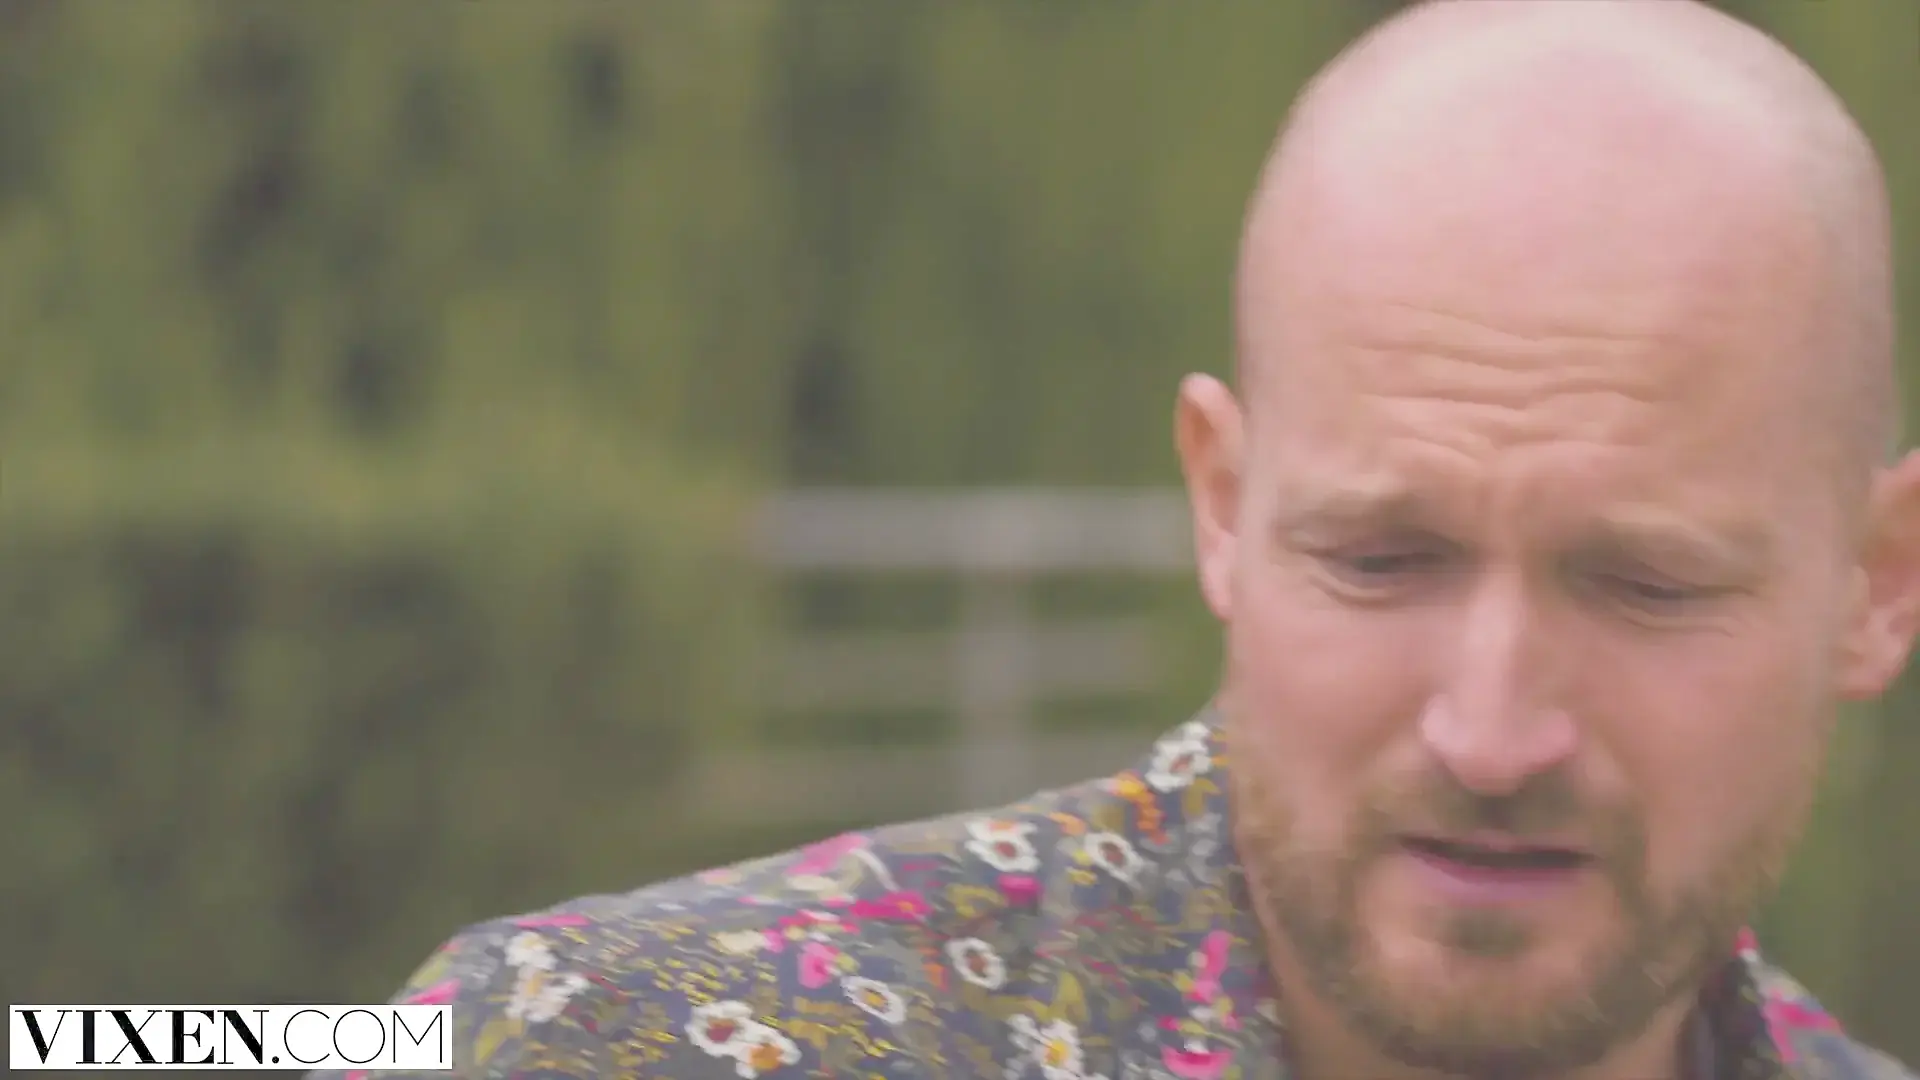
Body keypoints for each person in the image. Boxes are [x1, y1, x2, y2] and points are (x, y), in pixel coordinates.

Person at [319, 2, 1920, 1078]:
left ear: (1880, 585)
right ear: (1221, 505)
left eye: (1646, 585)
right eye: (1379, 561)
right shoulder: (596, 1047)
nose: (1490, 733)